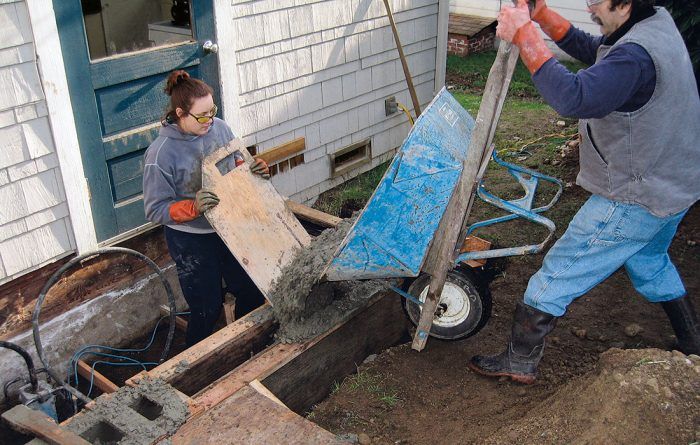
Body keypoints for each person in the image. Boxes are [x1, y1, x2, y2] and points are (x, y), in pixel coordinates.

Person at [469, 0, 700, 384]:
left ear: (624, 3)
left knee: (558, 274)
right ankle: (693, 341)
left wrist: (525, 35)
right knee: (650, 262)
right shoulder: (653, 24)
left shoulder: (636, 58)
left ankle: (518, 362)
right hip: (674, 185)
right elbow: (597, 51)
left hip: (635, 195)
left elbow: (574, 97)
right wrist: (541, 15)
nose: (589, 5)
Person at [143, 70, 270, 347]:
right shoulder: (161, 153)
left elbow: (236, 165)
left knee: (251, 291)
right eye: (202, 116)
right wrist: (192, 207)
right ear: (180, 113)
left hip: (228, 227)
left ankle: (247, 345)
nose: (210, 120)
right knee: (206, 308)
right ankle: (198, 365)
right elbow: (155, 210)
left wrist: (253, 170)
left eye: (212, 111)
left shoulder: (220, 128)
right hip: (191, 240)